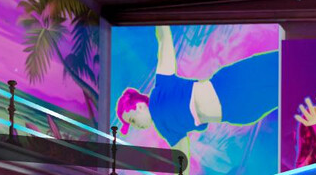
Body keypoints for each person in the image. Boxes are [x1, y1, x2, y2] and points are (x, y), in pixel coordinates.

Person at [116, 26, 280, 151]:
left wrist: (156, 11)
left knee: (282, 63)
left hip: (230, 85)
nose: (136, 126)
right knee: (286, 90)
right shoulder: (165, 129)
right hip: (237, 111)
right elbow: (182, 156)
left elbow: (164, 39)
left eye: (132, 120)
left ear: (139, 106)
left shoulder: (162, 87)